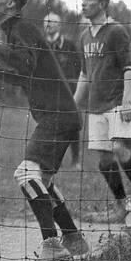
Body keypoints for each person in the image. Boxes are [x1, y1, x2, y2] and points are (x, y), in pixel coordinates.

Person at [0, 0, 88, 261]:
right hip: (61, 116)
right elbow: (26, 74)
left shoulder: (21, 28)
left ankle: (51, 245)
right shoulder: (16, 31)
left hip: (57, 117)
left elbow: (24, 61)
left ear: (10, 3)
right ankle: (73, 238)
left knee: (25, 174)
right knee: (42, 181)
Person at [73, 0, 131, 223]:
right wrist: (74, 104)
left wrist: (128, 101)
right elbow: (85, 74)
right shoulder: (84, 35)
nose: (84, 3)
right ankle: (122, 207)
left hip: (117, 102)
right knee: (104, 159)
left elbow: (129, 68)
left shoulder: (116, 30)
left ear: (102, 4)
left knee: (119, 148)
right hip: (95, 105)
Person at [43, 11, 82, 165]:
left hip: (68, 93)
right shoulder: (41, 45)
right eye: (46, 22)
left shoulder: (69, 45)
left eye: (52, 22)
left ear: (59, 25)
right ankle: (49, 159)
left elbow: (79, 68)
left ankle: (76, 159)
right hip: (47, 93)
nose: (48, 25)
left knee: (72, 125)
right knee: (48, 125)